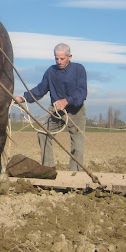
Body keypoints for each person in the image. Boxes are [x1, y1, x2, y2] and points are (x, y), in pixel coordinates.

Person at [15, 43, 87, 171]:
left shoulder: (79, 69)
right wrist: (23, 98)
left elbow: (82, 92)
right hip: (56, 112)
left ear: (69, 57)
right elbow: (40, 90)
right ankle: (48, 169)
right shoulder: (50, 71)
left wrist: (67, 101)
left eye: (62, 58)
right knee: (43, 134)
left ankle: (76, 173)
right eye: (56, 58)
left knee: (77, 143)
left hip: (76, 112)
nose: (59, 61)